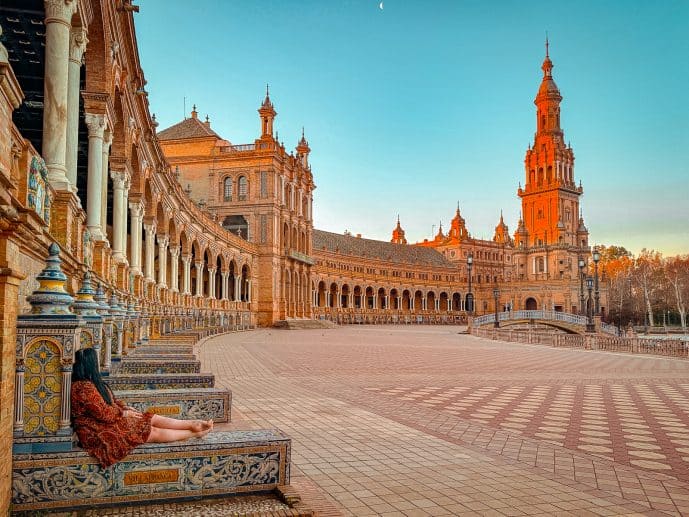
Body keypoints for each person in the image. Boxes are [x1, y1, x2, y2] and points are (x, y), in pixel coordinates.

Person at [71, 348, 212, 467]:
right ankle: (194, 433)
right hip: (95, 430)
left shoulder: (90, 383)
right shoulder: (83, 387)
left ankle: (193, 424)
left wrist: (125, 408)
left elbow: (110, 402)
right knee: (151, 431)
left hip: (105, 423)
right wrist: (124, 414)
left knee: (150, 418)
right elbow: (104, 413)